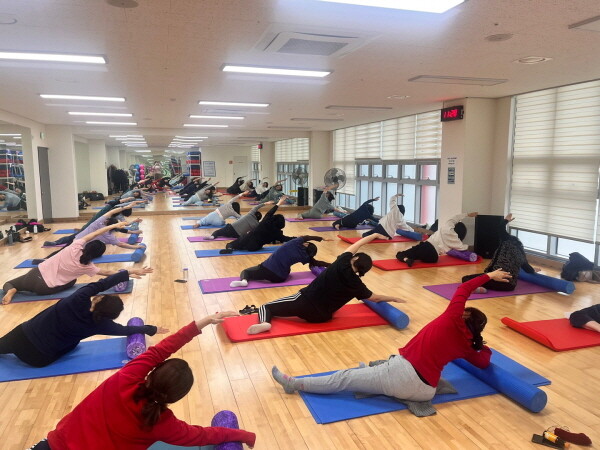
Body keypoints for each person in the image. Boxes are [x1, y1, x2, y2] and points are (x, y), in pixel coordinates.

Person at [271, 269, 511, 403]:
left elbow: (463, 289)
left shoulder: (453, 318)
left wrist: (489, 275)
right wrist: (482, 345)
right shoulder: (469, 345)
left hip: (401, 376)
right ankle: (377, 381)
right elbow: (484, 361)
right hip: (424, 389)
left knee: (345, 378)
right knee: (367, 376)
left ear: (465, 314)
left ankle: (295, 385)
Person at [27, 312, 256, 450]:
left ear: (152, 373)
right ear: (177, 397)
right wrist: (243, 435)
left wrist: (203, 322)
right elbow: (204, 435)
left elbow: (161, 350)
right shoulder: (163, 424)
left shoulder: (127, 377)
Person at [246, 233, 405, 335]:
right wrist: (393, 298)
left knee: (265, 307)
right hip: (322, 317)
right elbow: (375, 298)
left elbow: (358, 244)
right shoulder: (358, 285)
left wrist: (375, 234)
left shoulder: (341, 262)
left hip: (304, 303)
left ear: (355, 259)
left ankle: (265, 323)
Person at [0, 270, 161, 367]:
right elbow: (126, 330)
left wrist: (126, 273)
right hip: (38, 358)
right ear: (111, 316)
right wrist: (151, 329)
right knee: (73, 344)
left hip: (20, 336)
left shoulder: (79, 297)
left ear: (98, 299)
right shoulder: (101, 325)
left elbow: (102, 284)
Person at [2, 221, 139, 304]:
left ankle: (12, 291)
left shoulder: (76, 245)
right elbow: (109, 272)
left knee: (9, 284)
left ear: (88, 246)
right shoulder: (88, 267)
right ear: (98, 255)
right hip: (44, 288)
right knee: (72, 281)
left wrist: (115, 225)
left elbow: (95, 233)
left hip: (35, 273)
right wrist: (129, 273)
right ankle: (19, 289)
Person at [461, 213, 538, 292]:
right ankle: (477, 287)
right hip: (510, 286)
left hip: (495, 278)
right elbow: (528, 269)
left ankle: (476, 289)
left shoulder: (506, 242)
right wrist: (533, 270)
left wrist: (506, 220)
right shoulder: (521, 253)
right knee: (481, 278)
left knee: (466, 279)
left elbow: (500, 228)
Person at [230, 235, 330, 287]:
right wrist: (331, 265)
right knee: (287, 270)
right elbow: (315, 263)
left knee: (246, 272)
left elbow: (307, 237)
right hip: (281, 278)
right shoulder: (306, 257)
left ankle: (244, 281)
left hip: (267, 268)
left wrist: (321, 238)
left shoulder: (295, 242)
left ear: (307, 244)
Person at [395, 212, 477, 267]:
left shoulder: (447, 226)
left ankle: (406, 259)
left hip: (427, 246)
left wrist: (468, 214)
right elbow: (464, 248)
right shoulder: (456, 241)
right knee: (416, 254)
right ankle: (411, 257)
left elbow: (454, 218)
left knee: (400, 254)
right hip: (433, 258)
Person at [222, 196, 293, 253]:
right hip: (255, 247)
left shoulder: (265, 222)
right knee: (246, 244)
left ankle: (231, 247)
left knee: (233, 244)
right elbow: (286, 239)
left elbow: (270, 212)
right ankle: (239, 247)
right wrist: (301, 238)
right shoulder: (277, 233)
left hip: (246, 239)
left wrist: (279, 202)